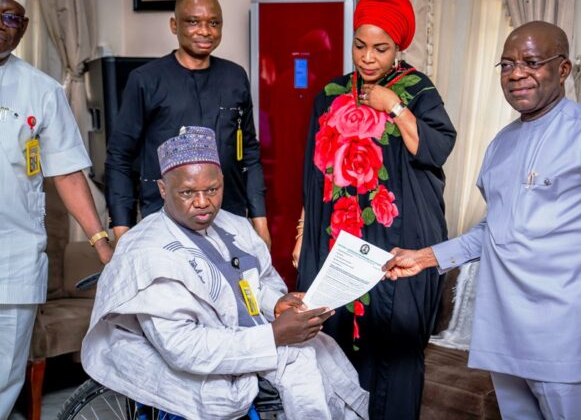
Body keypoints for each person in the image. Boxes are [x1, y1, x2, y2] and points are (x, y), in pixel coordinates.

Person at [384, 21, 581, 419]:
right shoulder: (501, 144)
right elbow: (494, 230)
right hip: (503, 326)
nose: (516, 74)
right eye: (507, 64)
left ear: (563, 69)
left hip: (565, 331)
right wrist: (425, 257)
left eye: (531, 62)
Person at [83, 126, 369, 420]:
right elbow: (182, 347)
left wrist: (275, 304)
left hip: (249, 342)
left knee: (321, 352)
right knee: (300, 367)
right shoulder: (147, 251)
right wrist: (271, 335)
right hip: (198, 363)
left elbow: (256, 283)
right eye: (187, 192)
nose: (203, 202)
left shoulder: (235, 226)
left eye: (212, 189)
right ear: (162, 189)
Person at [294, 0, 456, 419]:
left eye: (381, 49)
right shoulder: (330, 94)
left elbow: (436, 149)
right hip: (337, 240)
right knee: (333, 339)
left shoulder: (418, 89)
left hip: (399, 243)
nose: (368, 58)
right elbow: (315, 174)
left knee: (394, 348)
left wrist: (396, 107)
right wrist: (303, 233)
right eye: (360, 46)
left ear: (399, 47)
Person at [0, 0, 113, 418]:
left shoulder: (41, 91)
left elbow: (67, 172)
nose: (1, 25)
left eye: (11, 17)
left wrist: (100, 240)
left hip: (13, 258)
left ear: (24, 27)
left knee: (6, 371)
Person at [105, 0, 271, 247]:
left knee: (236, 287)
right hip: (164, 222)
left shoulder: (234, 77)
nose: (205, 31)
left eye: (213, 23)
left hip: (230, 217)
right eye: (193, 22)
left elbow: (248, 152)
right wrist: (122, 231)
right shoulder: (146, 80)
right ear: (174, 25)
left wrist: (260, 222)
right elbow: (120, 157)